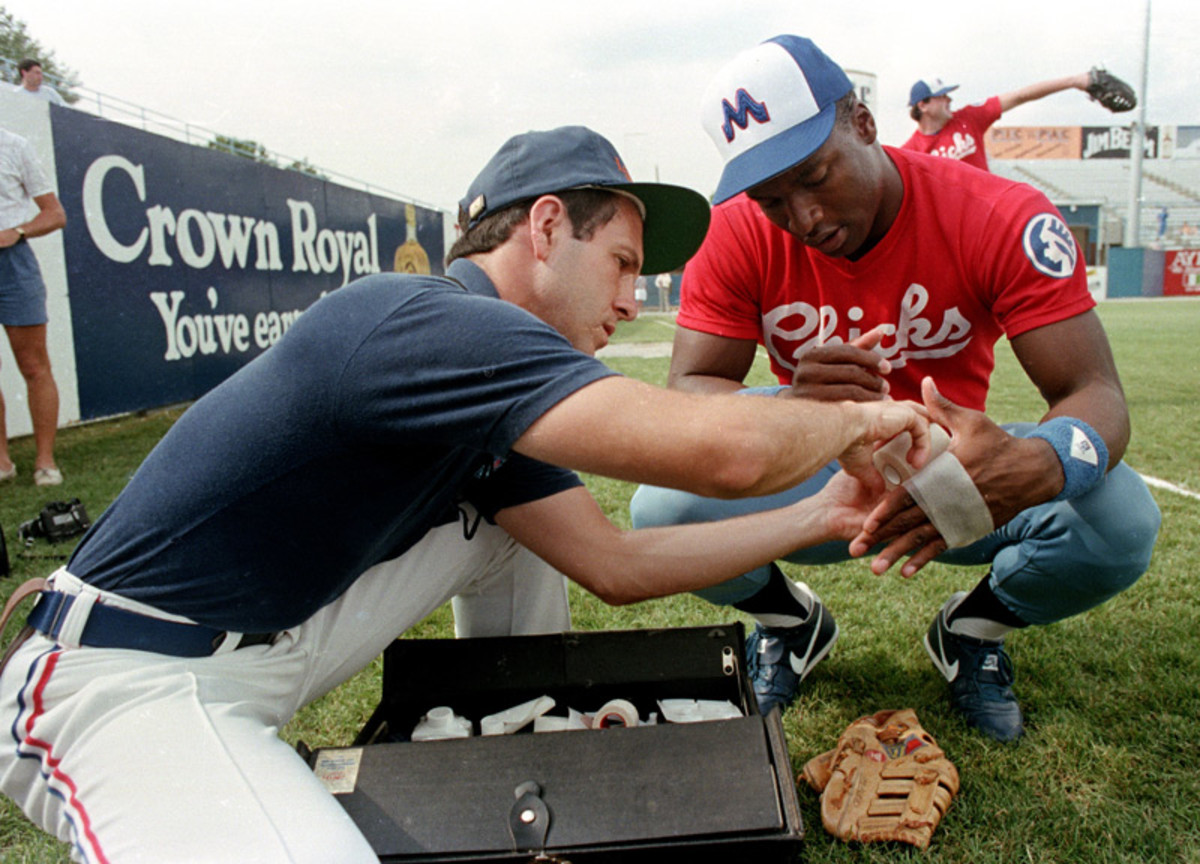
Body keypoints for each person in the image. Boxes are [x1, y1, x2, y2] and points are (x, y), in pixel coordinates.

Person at [0, 125, 931, 862]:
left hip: (276, 644)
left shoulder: (486, 381)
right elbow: (718, 455)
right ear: (546, 227)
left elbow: (612, 563)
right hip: (125, 676)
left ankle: (510, 750)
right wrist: (859, 420)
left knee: (506, 528)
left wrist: (821, 513)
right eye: (621, 262)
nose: (630, 297)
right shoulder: (422, 320)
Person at [630, 36, 1161, 743]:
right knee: (663, 507)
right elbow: (691, 390)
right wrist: (791, 406)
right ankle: (790, 624)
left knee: (1120, 517)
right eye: (772, 199)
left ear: (864, 123)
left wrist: (1039, 462)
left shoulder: (995, 211)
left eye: (815, 176)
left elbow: (1093, 391)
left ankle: (971, 630)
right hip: (817, 467)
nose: (803, 217)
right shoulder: (733, 233)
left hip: (947, 469)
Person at [0, 127, 65, 485]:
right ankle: (2, 462)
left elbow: (55, 214)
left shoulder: (14, 145)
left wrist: (19, 231)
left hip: (12, 264)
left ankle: (45, 462)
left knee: (33, 365)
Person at [903, 71, 1098, 172]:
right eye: (942, 96)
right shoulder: (910, 152)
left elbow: (1019, 96)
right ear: (923, 105)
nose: (949, 99)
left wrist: (1074, 81)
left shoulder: (969, 118)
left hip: (987, 215)